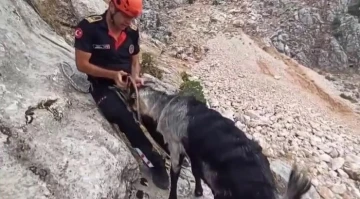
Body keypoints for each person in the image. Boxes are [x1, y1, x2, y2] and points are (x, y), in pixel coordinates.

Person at [73, 0, 169, 190]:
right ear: (112, 7)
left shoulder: (131, 34)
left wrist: (135, 78)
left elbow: (134, 62)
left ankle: (169, 148)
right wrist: (112, 75)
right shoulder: (89, 27)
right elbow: (81, 64)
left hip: (127, 82)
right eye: (126, 16)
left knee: (155, 109)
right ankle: (155, 163)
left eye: (132, 18)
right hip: (101, 85)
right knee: (124, 117)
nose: (129, 21)